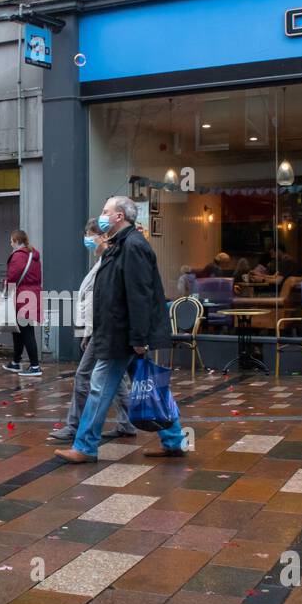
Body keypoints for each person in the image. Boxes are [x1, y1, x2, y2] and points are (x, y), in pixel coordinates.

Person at [55, 196, 187, 464]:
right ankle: (173, 441)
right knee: (154, 388)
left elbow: (139, 296)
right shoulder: (120, 245)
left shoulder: (133, 247)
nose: (101, 215)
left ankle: (85, 446)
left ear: (119, 217)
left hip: (122, 336)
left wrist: (138, 338)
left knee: (98, 389)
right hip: (119, 333)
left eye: (106, 211)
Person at [48, 220, 136, 444]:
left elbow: (98, 301)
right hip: (104, 329)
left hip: (104, 329)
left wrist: (89, 331)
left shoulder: (109, 261)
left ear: (103, 236)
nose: (87, 239)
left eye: (90, 234)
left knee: (83, 376)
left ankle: (74, 426)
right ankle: (127, 423)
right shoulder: (102, 261)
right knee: (117, 378)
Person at [2, 229, 43, 377]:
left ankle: (35, 366)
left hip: (23, 297)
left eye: (11, 240)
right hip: (32, 295)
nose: (10, 243)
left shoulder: (19, 256)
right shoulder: (33, 255)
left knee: (26, 332)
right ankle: (16, 362)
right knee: (18, 330)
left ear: (17, 241)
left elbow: (12, 277)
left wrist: (5, 285)